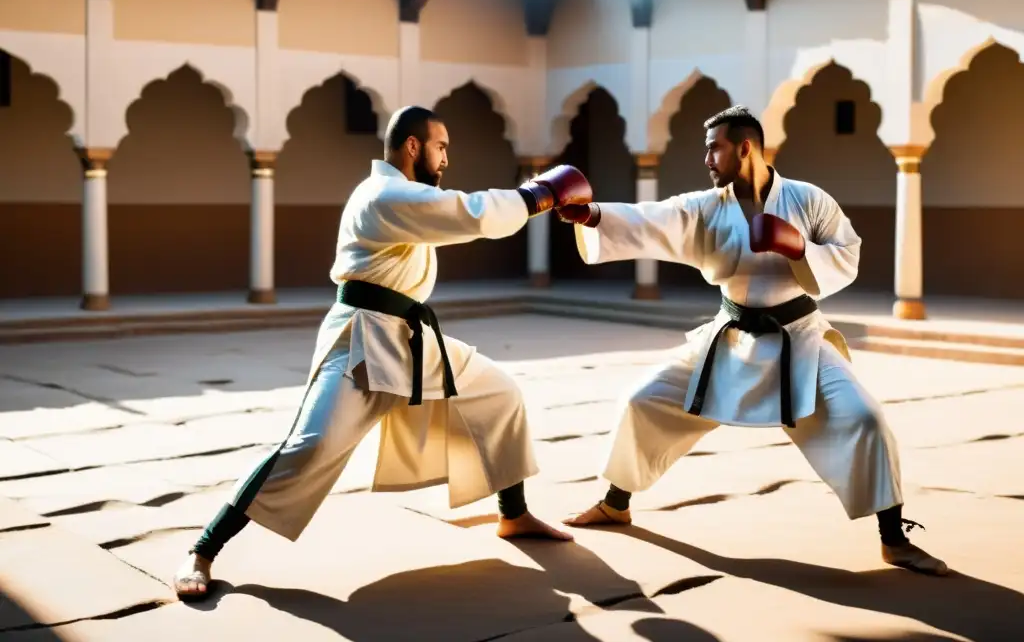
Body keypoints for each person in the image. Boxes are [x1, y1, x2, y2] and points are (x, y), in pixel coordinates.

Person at [173, 105, 592, 600]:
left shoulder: (406, 194)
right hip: (362, 340)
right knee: (308, 447)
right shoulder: (384, 194)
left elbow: (458, 213)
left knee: (499, 393)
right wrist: (541, 193)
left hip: (410, 337)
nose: (446, 159)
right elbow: (471, 214)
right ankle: (202, 549)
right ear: (413, 147)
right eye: (441, 147)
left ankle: (513, 514)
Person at [556, 105, 948, 576]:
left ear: (744, 147)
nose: (706, 159)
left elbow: (848, 253)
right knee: (643, 400)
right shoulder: (706, 206)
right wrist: (592, 215)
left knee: (865, 418)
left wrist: (799, 247)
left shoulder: (808, 200)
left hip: (799, 338)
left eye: (713, 148)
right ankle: (615, 503)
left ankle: (893, 538)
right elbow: (650, 219)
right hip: (730, 336)